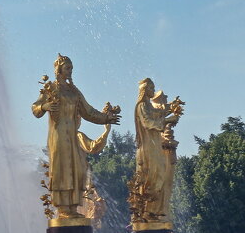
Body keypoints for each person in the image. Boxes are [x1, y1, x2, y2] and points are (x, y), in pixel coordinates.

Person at [31, 54, 120, 219]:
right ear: (59, 69)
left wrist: (106, 118)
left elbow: (88, 111)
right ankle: (63, 207)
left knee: (76, 169)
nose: (70, 70)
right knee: (62, 169)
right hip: (58, 135)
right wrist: (45, 106)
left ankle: (72, 206)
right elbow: (35, 108)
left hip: (72, 136)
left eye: (71, 67)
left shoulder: (74, 91)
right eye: (67, 68)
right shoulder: (50, 88)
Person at [129, 78, 182, 224]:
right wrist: (168, 121)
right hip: (147, 148)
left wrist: (172, 107)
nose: (153, 91)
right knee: (150, 178)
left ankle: (152, 211)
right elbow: (148, 122)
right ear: (145, 90)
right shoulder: (141, 106)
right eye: (151, 88)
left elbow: (159, 112)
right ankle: (146, 212)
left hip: (154, 147)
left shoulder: (148, 105)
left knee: (159, 176)